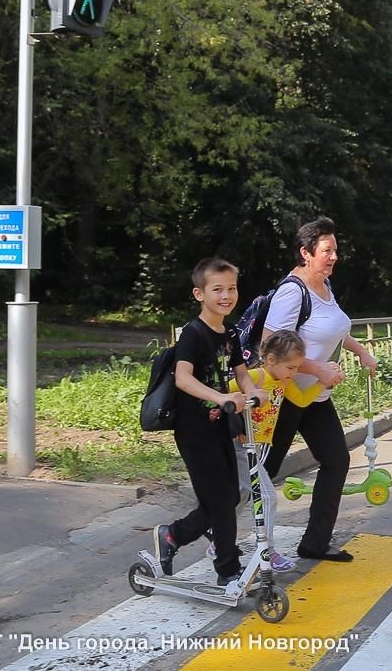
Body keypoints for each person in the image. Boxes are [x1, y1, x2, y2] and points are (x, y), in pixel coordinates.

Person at [262, 216, 377, 562]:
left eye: (335, 250)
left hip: (314, 396)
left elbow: (333, 330)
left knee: (336, 460)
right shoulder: (292, 292)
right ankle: (210, 526)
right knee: (263, 470)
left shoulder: (324, 287)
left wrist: (361, 352)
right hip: (284, 396)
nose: (333, 257)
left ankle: (314, 543)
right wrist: (318, 368)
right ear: (305, 253)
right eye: (327, 251)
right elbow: (270, 345)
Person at [152, 258, 267, 585]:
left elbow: (241, 374)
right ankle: (228, 571)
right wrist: (221, 398)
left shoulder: (229, 332)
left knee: (229, 498)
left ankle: (173, 536)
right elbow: (183, 379)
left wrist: (253, 391)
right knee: (220, 500)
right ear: (199, 293)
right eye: (217, 289)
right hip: (194, 430)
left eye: (231, 288)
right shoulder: (193, 333)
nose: (226, 295)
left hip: (221, 426)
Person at [220, 329, 323, 573]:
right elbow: (225, 393)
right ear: (271, 360)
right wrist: (236, 424)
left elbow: (301, 400)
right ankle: (267, 552)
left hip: (258, 447)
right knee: (264, 496)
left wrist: (323, 383)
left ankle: (219, 536)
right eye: (290, 368)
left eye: (297, 368)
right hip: (241, 446)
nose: (294, 373)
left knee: (242, 494)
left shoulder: (282, 382)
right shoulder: (255, 377)